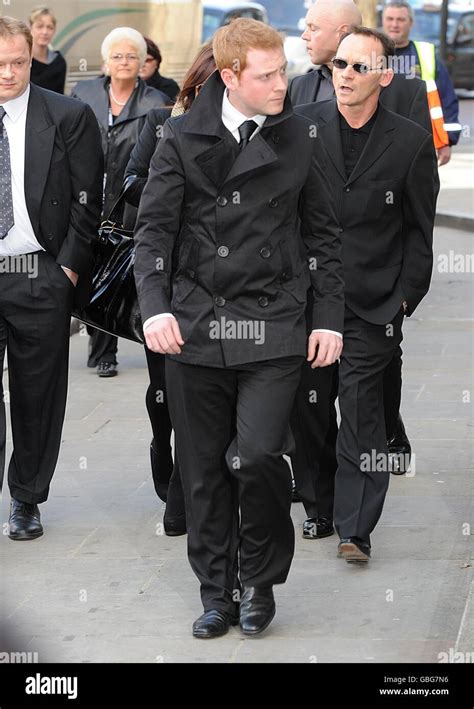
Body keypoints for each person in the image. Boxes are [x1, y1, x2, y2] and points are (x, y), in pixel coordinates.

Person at [134, 18, 344, 638]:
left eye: (284, 69)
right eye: (268, 75)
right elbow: (153, 234)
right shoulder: (178, 135)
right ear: (230, 78)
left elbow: (325, 237)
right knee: (201, 467)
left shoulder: (303, 134)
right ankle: (216, 591)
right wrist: (155, 308)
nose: (284, 82)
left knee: (255, 457)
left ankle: (259, 581)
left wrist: (327, 318)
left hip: (273, 322)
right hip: (195, 326)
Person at [288, 0, 432, 542]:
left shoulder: (410, 142)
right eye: (338, 65)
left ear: (383, 76)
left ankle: (354, 527)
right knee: (311, 411)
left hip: (375, 304)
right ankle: (321, 506)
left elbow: (419, 231)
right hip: (309, 300)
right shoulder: (302, 127)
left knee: (363, 411)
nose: (343, 75)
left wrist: (402, 300)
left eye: (356, 67)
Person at [0, 16, 103, 540]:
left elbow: (90, 198)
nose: (9, 73)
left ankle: (26, 498)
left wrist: (67, 267)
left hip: (39, 272)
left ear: (32, 57)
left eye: (18, 62)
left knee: (37, 393)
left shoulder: (68, 115)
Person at [123, 41, 216, 536]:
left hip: (226, 292)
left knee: (208, 402)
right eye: (206, 88)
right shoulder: (160, 124)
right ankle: (165, 449)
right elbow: (131, 180)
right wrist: (172, 181)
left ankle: (186, 496)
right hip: (168, 282)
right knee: (166, 393)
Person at [71, 27, 169, 378]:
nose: (124, 62)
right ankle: (101, 346)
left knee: (120, 267)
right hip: (88, 195)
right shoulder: (83, 93)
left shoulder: (155, 102)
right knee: (93, 267)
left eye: (132, 55)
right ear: (105, 61)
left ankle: (125, 334)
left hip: (129, 201)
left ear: (143, 61)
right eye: (117, 55)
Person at [382, 0, 462, 167]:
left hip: (419, 141)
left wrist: (447, 141)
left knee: (419, 192)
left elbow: (446, 98)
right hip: (377, 141)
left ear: (411, 22)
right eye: (390, 18)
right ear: (382, 21)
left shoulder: (426, 54)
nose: (394, 24)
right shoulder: (370, 53)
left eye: (401, 19)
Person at [28, 6, 66, 94]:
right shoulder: (22, 60)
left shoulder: (58, 62)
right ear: (30, 28)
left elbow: (60, 96)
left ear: (54, 30)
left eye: (50, 27)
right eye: (39, 26)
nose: (45, 32)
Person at [139, 37, 180, 103]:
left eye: (147, 60)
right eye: (139, 60)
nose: (142, 64)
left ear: (157, 63)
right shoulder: (125, 88)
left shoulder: (169, 87)